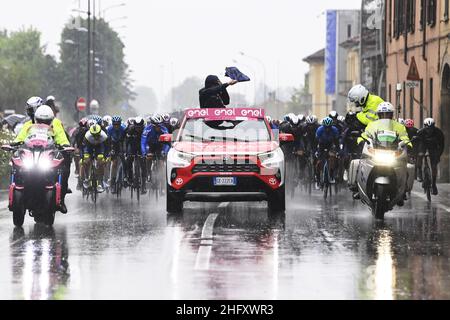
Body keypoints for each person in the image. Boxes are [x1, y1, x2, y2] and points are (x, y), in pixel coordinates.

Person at [141, 114, 170, 194]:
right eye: (156, 126)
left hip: (160, 146)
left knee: (161, 164)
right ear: (152, 125)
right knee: (148, 157)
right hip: (150, 146)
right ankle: (149, 173)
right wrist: (144, 153)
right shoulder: (147, 129)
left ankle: (163, 185)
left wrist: (165, 151)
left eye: (160, 125)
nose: (158, 127)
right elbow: (143, 142)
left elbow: (167, 143)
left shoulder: (164, 129)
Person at [416, 118, 445, 195]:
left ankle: (434, 184)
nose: (429, 130)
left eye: (431, 128)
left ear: (434, 127)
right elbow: (416, 143)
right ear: (424, 126)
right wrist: (416, 152)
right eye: (427, 128)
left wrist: (438, 155)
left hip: (433, 147)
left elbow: (441, 145)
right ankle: (419, 171)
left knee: (434, 165)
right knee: (420, 154)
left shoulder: (438, 133)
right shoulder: (420, 132)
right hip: (423, 145)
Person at [80, 124, 108, 193]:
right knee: (86, 160)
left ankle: (100, 182)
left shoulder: (104, 136)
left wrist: (105, 157)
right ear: (91, 133)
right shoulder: (87, 136)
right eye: (93, 135)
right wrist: (82, 157)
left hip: (100, 146)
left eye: (97, 135)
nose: (95, 137)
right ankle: (87, 178)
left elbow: (107, 147)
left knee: (100, 161)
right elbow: (82, 148)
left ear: (100, 132)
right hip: (89, 146)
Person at [315, 117, 340, 186]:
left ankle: (332, 175)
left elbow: (337, 141)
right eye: (326, 127)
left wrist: (338, 151)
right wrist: (316, 150)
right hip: (321, 145)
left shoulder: (335, 130)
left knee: (333, 158)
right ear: (323, 126)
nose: (327, 129)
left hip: (330, 145)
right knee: (318, 162)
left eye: (329, 127)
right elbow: (316, 141)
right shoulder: (319, 130)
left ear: (331, 126)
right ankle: (317, 179)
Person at [107, 116, 127, 194]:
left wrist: (125, 151)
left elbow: (126, 140)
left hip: (121, 143)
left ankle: (125, 177)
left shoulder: (123, 128)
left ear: (120, 124)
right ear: (112, 124)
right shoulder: (109, 129)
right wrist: (110, 150)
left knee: (124, 161)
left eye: (118, 124)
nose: (116, 126)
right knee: (114, 163)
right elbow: (108, 141)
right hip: (113, 144)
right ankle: (112, 182)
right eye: (115, 124)